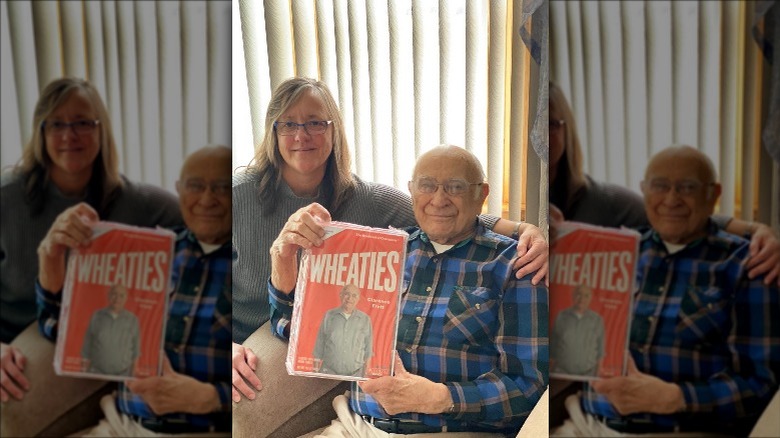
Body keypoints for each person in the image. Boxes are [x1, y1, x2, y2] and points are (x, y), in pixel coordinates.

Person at [231, 77, 549, 435]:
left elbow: (528, 384)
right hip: (348, 416)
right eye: (288, 124)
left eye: (315, 122)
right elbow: (296, 327)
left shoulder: (508, 264)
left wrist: (527, 230)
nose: (439, 199)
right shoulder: (383, 252)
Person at [552, 146, 780, 437]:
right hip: (589, 423)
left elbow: (761, 383)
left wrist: (674, 397)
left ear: (713, 194)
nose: (672, 199)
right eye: (660, 186)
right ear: (644, 191)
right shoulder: (612, 253)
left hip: (682, 428)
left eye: (687, 187)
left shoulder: (747, 265)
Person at [0, 77, 181, 407]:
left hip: (98, 333)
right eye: (57, 124)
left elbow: (199, 217)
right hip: (21, 334)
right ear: (41, 132)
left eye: (83, 122)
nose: (69, 135)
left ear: (101, 130)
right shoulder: (6, 198)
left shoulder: (136, 202)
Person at [35, 145, 232, 436]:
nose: (207, 199)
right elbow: (60, 330)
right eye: (195, 186)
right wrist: (49, 256)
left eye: (223, 187)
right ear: (179, 190)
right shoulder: (144, 252)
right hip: (122, 425)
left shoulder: (247, 265)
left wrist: (211, 398)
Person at [549, 80, 780, 285]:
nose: (542, 135)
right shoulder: (522, 203)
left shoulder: (601, 200)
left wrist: (757, 230)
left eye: (551, 124)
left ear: (566, 129)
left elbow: (682, 215)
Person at [312, 284, 374, 377]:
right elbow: (319, 343)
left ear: (358, 299)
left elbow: (368, 349)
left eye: (354, 295)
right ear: (341, 295)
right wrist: (315, 372)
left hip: (356, 374)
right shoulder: (329, 315)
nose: (350, 298)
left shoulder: (365, 319)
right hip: (328, 371)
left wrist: (365, 375)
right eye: (347, 294)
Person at [81, 284, 140, 376]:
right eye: (114, 294)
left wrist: (132, 375)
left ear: (126, 298)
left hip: (123, 374)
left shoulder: (132, 320)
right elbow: (87, 344)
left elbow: (136, 350)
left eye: (121, 295)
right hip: (96, 372)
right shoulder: (97, 316)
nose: (117, 298)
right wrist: (84, 371)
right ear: (108, 296)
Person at [550, 284, 605, 377]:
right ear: (573, 296)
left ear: (591, 298)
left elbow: (600, 351)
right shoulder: (561, 317)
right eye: (579, 294)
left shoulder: (597, 320)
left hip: (588, 375)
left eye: (586, 295)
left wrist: (597, 377)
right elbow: (553, 348)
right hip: (561, 373)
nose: (582, 299)